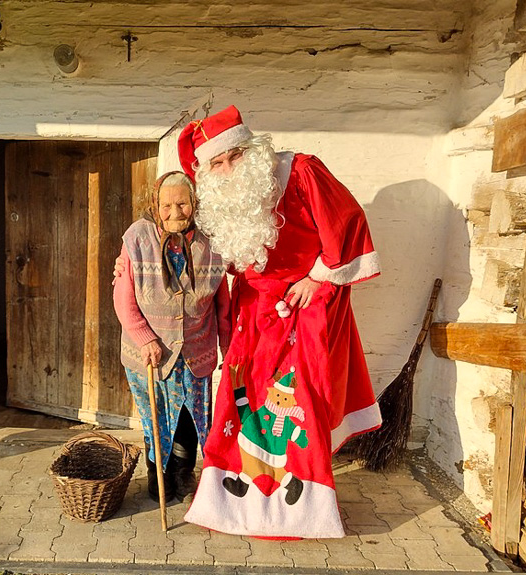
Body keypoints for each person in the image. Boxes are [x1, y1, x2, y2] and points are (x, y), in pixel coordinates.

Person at [174, 105, 382, 538]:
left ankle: (302, 511)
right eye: (218, 162)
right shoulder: (217, 201)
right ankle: (232, 506)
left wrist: (316, 278)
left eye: (235, 155)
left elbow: (346, 223)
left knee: (299, 402)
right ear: (208, 170)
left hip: (303, 309)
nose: (229, 167)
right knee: (239, 397)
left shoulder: (300, 171)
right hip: (252, 313)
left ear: (251, 148)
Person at [113, 171, 231, 503]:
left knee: (191, 419)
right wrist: (143, 337)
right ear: (156, 203)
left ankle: (183, 477)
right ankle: (159, 481)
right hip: (148, 353)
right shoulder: (137, 236)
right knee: (156, 420)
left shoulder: (211, 240)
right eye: (167, 205)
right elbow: (123, 297)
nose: (174, 212)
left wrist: (229, 344)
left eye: (182, 203)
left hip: (197, 350)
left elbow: (223, 300)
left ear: (194, 204)